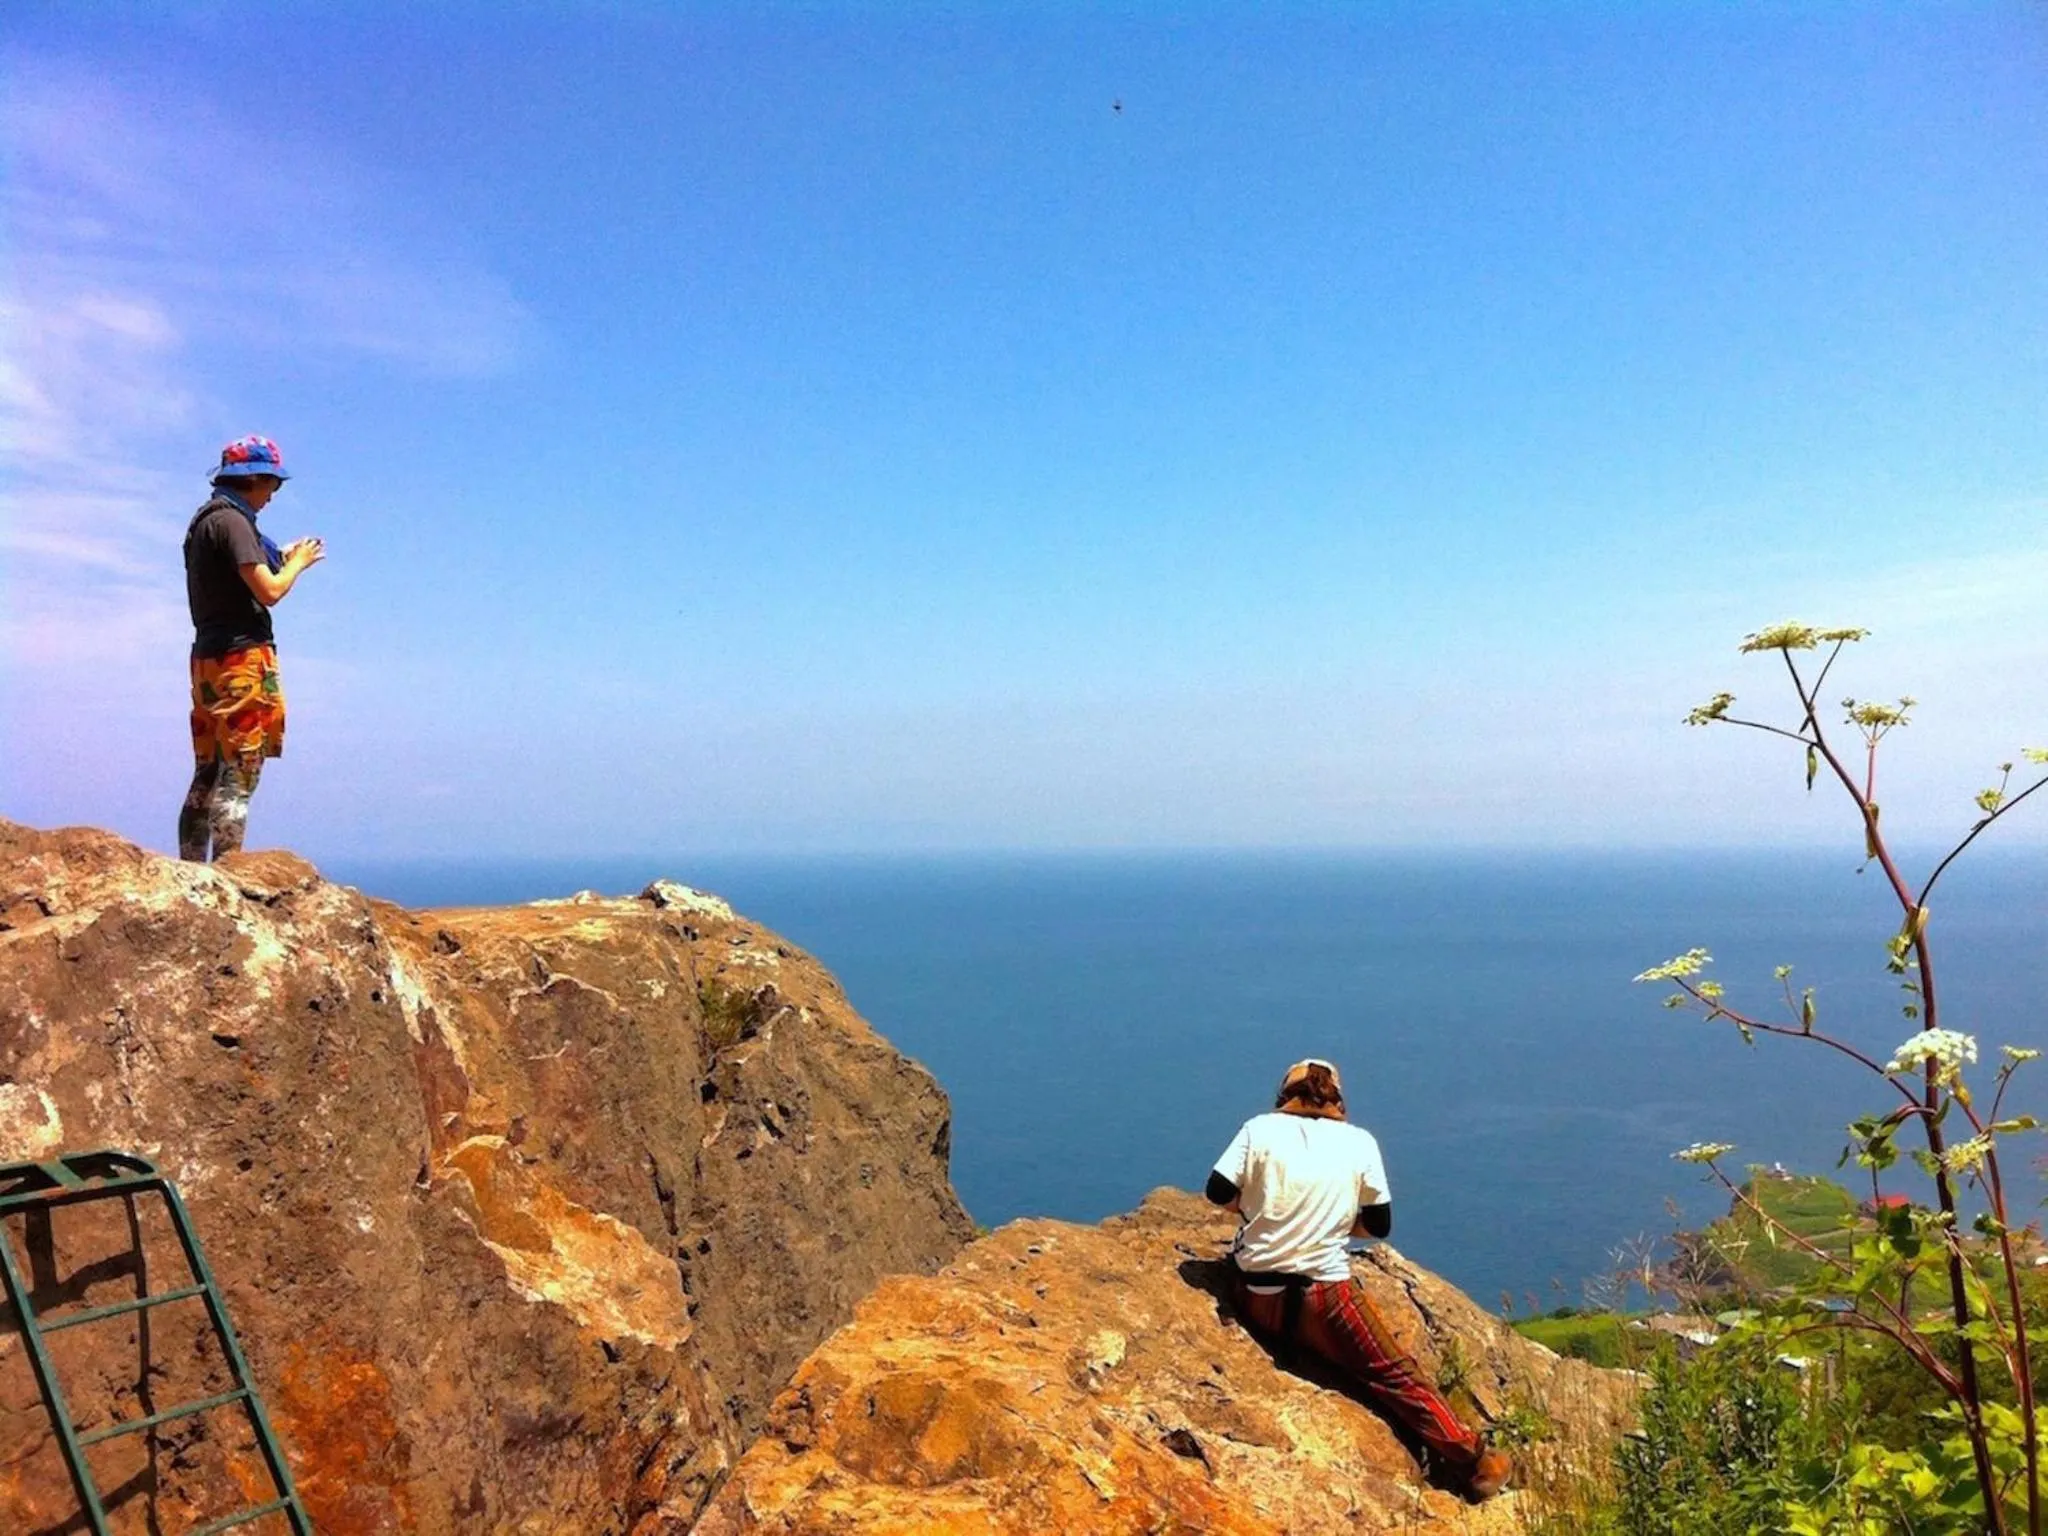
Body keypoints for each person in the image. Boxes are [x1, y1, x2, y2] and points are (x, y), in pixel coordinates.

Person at [1206, 1058, 1512, 1501]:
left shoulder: (1258, 1129)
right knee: (1394, 1373)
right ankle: (1475, 1461)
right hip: (1327, 1298)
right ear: (1336, 1100)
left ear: (1285, 1096)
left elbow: (1217, 1191)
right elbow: (1378, 1224)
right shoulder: (1359, 1142)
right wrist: (1332, 1221)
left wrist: (1259, 1207)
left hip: (1257, 1294)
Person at [177, 435, 324, 861]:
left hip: (207, 659)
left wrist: (284, 554)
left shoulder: (207, 521)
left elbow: (249, 566)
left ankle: (191, 869)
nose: (273, 494)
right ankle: (229, 869)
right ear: (254, 479)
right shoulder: (234, 523)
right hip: (241, 659)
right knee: (239, 771)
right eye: (271, 484)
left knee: (208, 770)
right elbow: (269, 590)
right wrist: (299, 565)